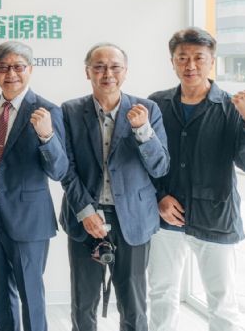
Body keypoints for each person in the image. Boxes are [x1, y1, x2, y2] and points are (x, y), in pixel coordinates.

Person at [147, 28, 245, 331]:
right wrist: (159, 196)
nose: (190, 65)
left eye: (199, 58)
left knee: (222, 303)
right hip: (166, 219)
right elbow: (142, 160)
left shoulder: (232, 107)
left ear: (212, 61)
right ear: (172, 61)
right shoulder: (157, 104)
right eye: (182, 58)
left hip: (215, 216)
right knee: (161, 294)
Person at [60, 42, 169, 331]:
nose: (107, 73)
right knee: (83, 304)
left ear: (126, 71)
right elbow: (66, 169)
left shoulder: (148, 110)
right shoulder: (70, 111)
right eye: (99, 67)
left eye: (115, 67)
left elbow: (160, 167)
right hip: (85, 217)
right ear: (88, 72)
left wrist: (143, 130)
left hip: (133, 218)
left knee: (133, 305)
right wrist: (86, 212)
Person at [0, 41, 68, 331]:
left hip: (28, 218)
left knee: (31, 293)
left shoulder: (47, 110)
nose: (10, 74)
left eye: (18, 67)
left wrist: (47, 137)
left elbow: (59, 170)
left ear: (30, 69)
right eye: (3, 67)